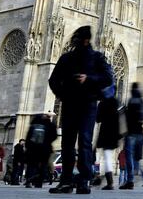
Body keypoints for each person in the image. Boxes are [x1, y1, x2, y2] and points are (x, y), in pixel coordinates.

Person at [48, 25, 113, 194]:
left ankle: (84, 180)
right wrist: (62, 94)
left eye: (78, 39)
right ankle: (66, 181)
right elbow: (53, 80)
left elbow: (108, 78)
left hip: (88, 105)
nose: (75, 42)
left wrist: (89, 79)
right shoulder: (67, 58)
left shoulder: (96, 58)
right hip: (70, 104)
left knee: (84, 141)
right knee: (68, 143)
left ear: (85, 40)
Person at [121, 82, 143, 190]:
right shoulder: (142, 101)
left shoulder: (131, 100)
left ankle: (130, 180)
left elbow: (127, 118)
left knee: (129, 158)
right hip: (139, 133)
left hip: (131, 134)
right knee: (136, 159)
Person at [24, 112, 58, 188]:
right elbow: (55, 136)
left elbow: (28, 137)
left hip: (33, 149)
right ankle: (38, 182)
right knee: (43, 165)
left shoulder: (33, 125)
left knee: (31, 165)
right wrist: (48, 142)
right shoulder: (50, 125)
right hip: (45, 149)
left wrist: (27, 147)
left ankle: (29, 180)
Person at [95, 94, 121, 190]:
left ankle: (109, 182)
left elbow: (98, 119)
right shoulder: (116, 102)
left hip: (106, 133)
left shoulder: (103, 103)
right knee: (107, 156)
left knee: (106, 157)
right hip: (114, 134)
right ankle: (106, 179)